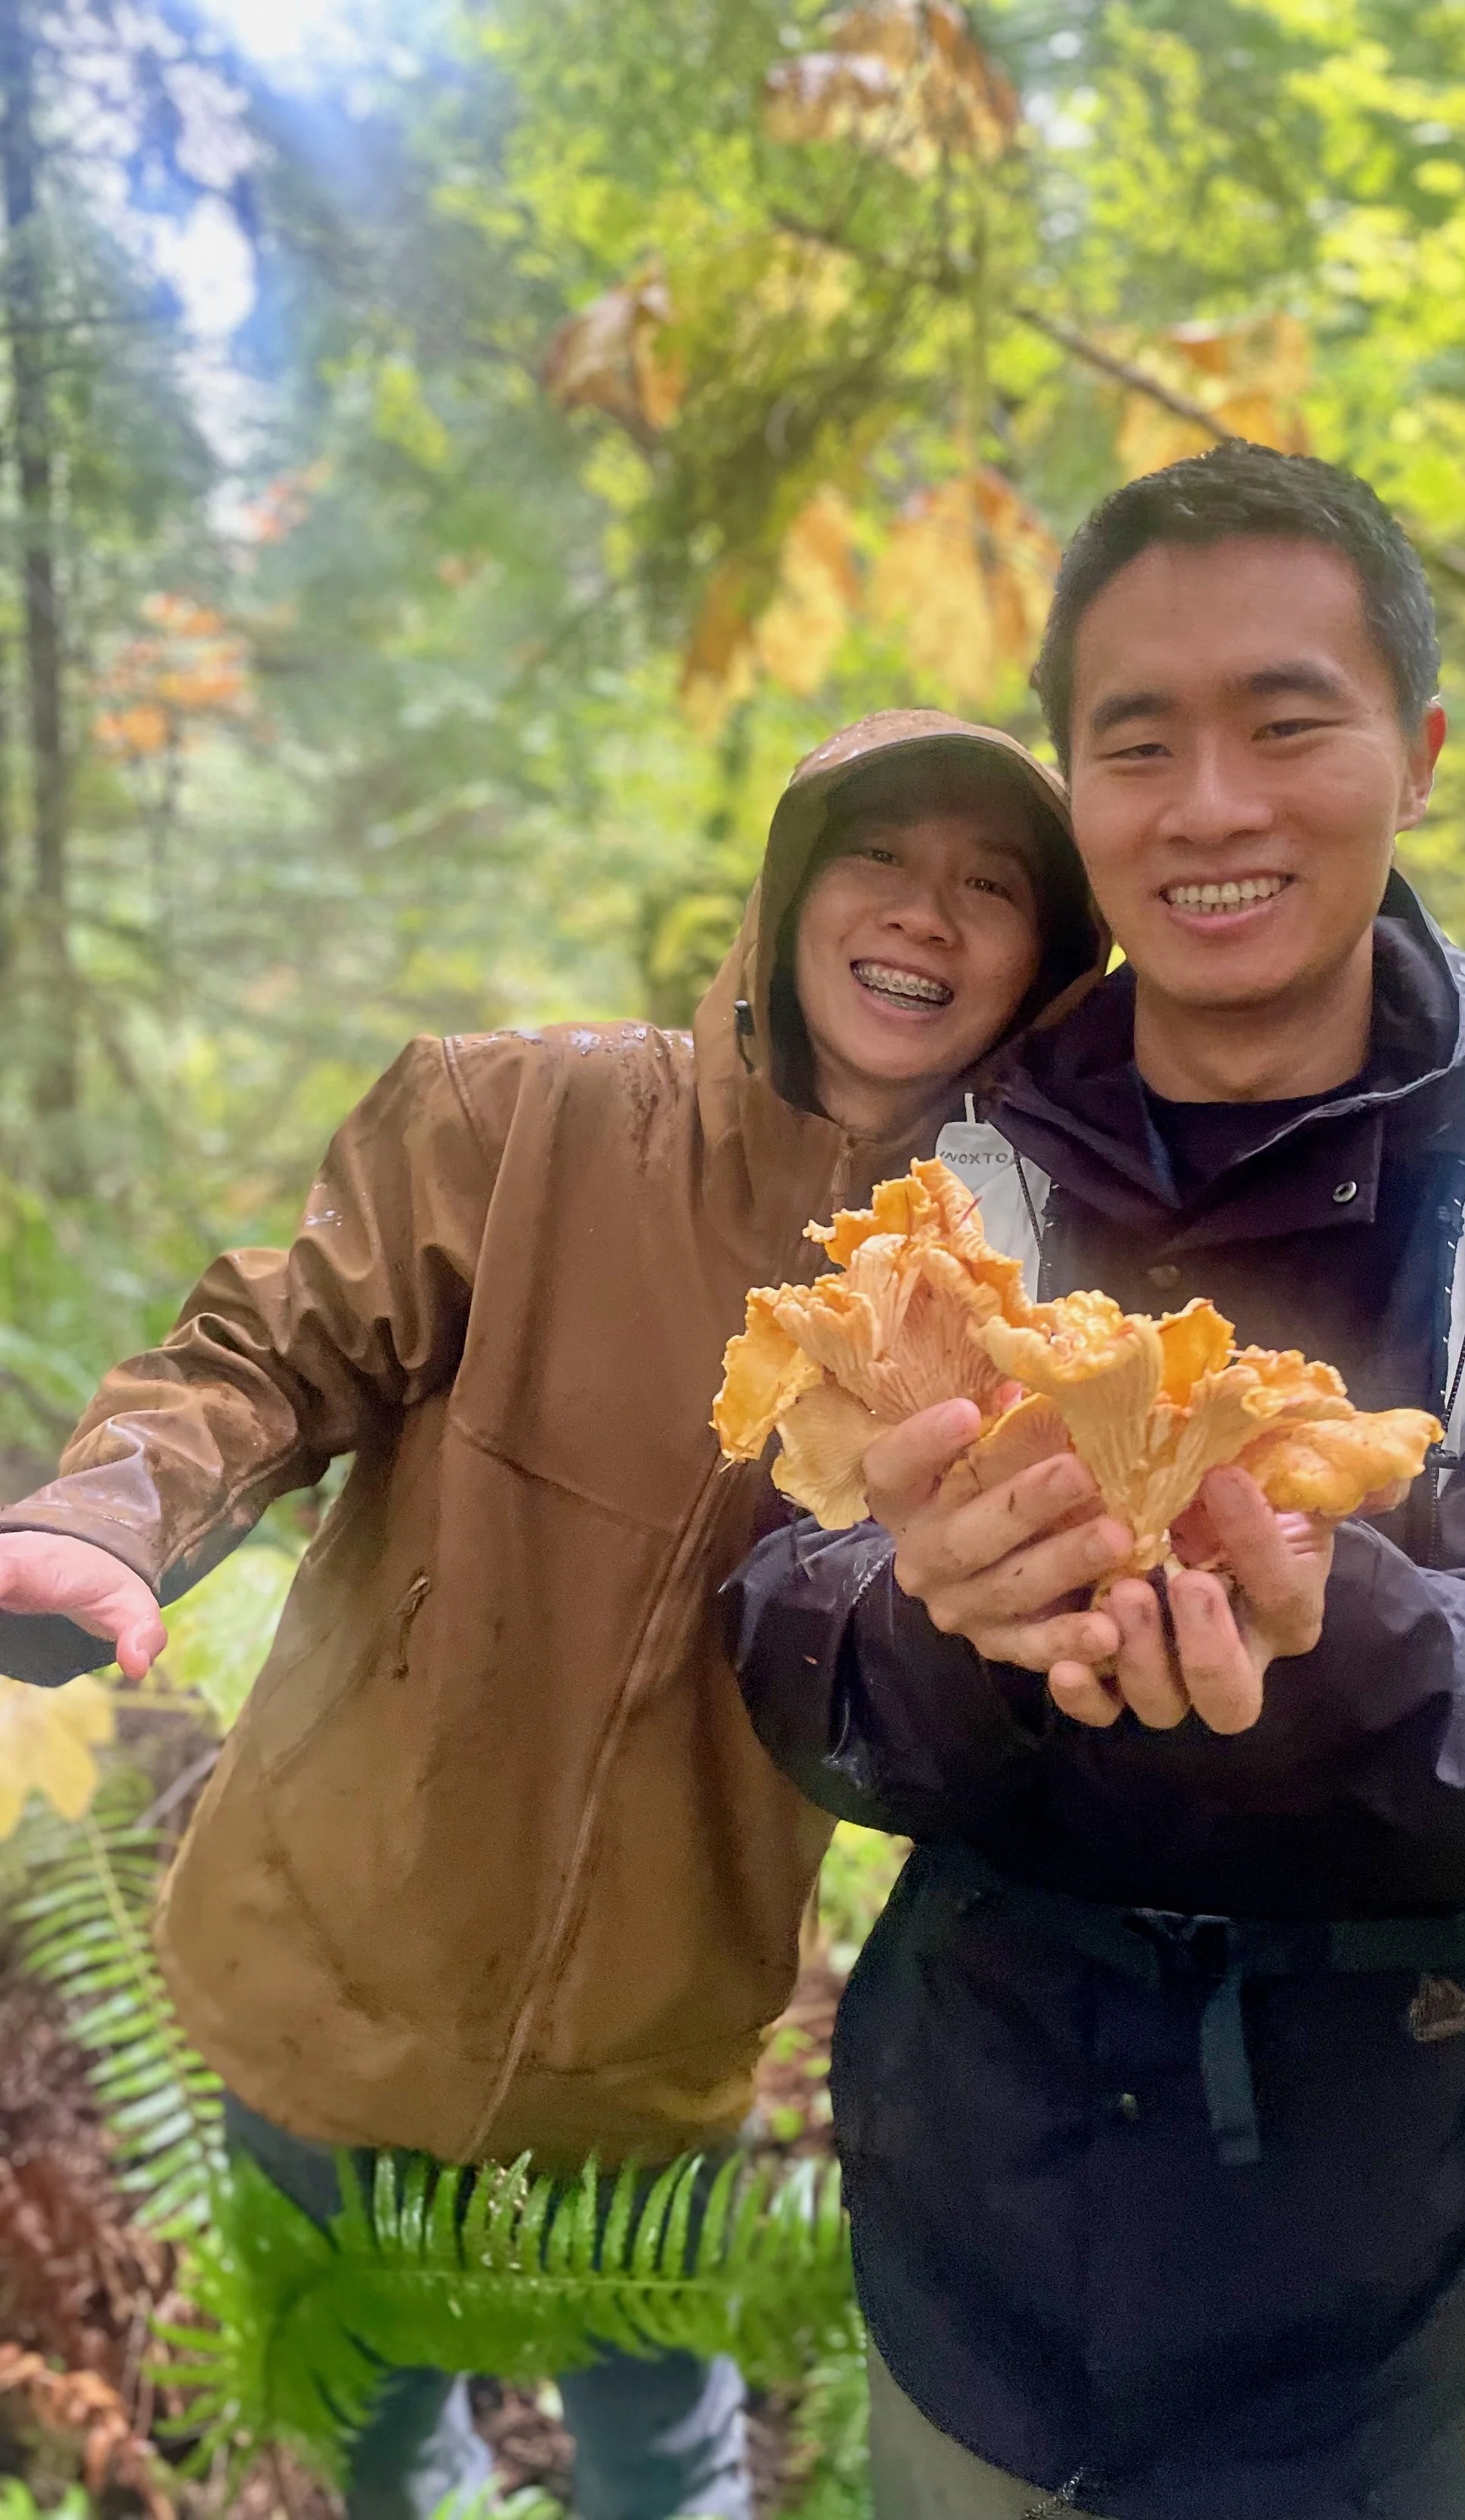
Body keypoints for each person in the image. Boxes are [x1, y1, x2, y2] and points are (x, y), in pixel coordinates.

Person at [726, 448, 1465, 2520]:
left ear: (1418, 747)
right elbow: (782, 1616)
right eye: (1138, 743)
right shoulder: (961, 1191)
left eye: (1284, 721)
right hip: (986, 2274)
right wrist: (929, 1611)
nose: (1210, 804)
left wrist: (1334, 1625)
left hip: (1420, 2329)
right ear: (1078, 786)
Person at [0, 708, 1104, 2520]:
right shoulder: (523, 1118)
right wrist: (110, 1513)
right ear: (785, 892)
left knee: (661, 2456)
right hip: (330, 1964)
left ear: (1047, 972)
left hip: (652, 2042)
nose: (927, 914)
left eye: (993, 889)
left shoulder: (1020, 1305)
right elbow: (265, 1354)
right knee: (372, 2427)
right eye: (879, 857)